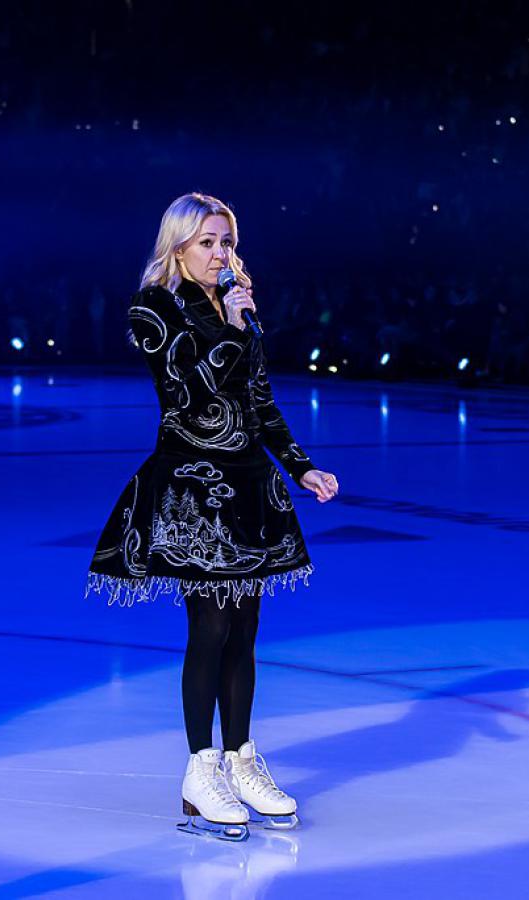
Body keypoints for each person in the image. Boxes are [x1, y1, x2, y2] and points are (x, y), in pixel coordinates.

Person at [85, 192, 339, 841]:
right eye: (207, 242)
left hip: (249, 483)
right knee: (211, 625)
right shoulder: (154, 307)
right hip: (194, 489)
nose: (221, 254)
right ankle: (200, 769)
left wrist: (301, 466)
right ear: (177, 247)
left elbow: (259, 400)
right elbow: (187, 393)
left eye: (227, 241)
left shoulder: (238, 305)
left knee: (245, 629)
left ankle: (241, 759)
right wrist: (230, 324)